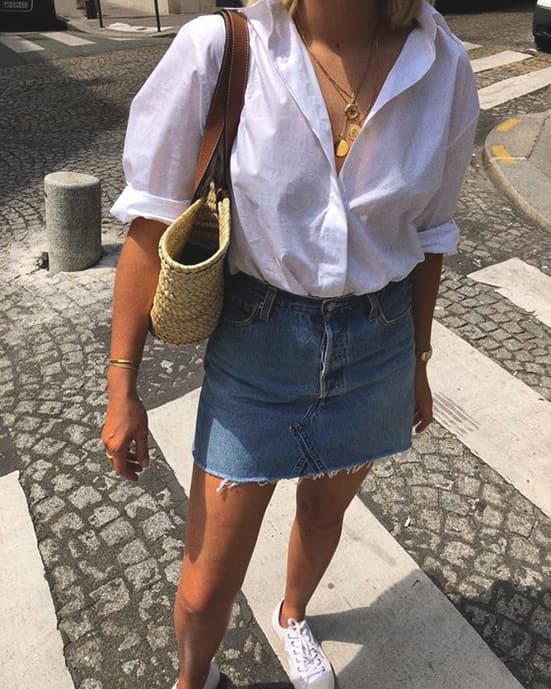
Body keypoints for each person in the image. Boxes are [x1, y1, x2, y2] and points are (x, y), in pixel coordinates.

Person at [102, 0, 479, 687]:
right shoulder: (221, 47)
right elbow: (150, 222)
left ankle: (292, 613)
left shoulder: (442, 65)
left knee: (323, 509)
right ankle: (195, 676)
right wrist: (122, 383)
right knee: (201, 589)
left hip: (378, 344)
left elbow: (430, 236)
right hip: (258, 346)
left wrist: (417, 363)